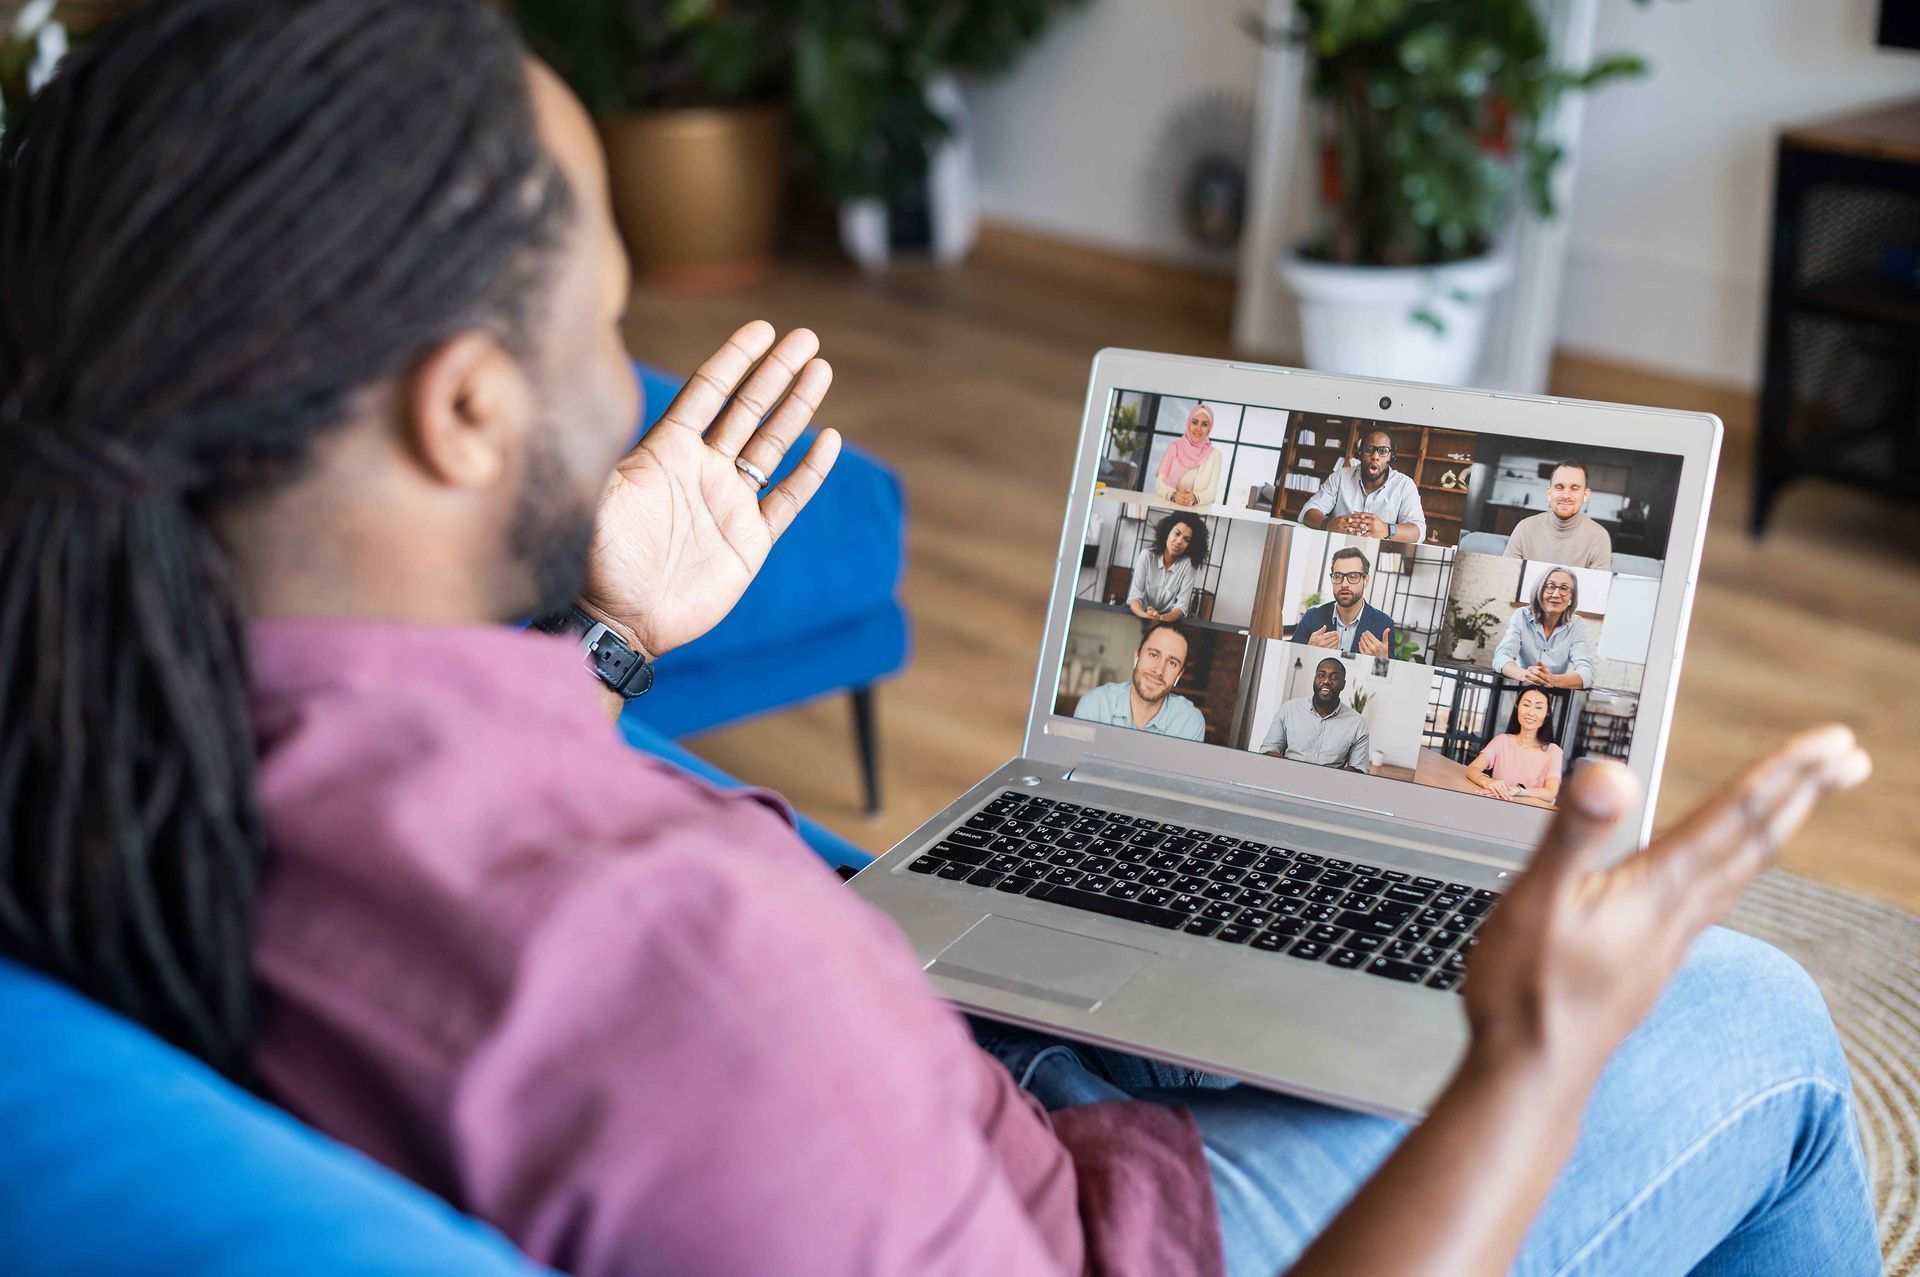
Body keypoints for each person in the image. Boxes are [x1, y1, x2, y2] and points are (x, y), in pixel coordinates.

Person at [0, 4, 1882, 1276]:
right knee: (1757, 1019)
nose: (626, 370)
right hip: (1085, 1211)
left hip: (941, 1061)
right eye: (601, 316)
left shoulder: (85, 702)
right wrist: (1534, 1059)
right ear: (465, 411)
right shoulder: (689, 972)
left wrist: (600, 640)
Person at [1072, 622, 1208, 741]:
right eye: (1154, 654)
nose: (1159, 670)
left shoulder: (1189, 721)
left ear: (1179, 674)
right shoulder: (1095, 704)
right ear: (1137, 655)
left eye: (1172, 663)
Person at [1300, 429, 1425, 544]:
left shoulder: (1405, 485)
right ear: (1360, 453)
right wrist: (1328, 524)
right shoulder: (1340, 476)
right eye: (1369, 449)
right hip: (1337, 547)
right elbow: (1308, 511)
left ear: (1391, 457)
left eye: (1383, 451)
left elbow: (1418, 531)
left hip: (1377, 554)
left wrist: (1387, 530)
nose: (1375, 456)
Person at [1257, 657, 1371, 771]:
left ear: (1343, 684)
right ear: (1314, 679)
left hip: (1330, 784)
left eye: (1335, 677)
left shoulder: (1357, 723)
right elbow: (1268, 749)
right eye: (1321, 675)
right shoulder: (1289, 709)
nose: (1326, 681)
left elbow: (1359, 768)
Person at [1494, 567, 1595, 689]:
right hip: (1518, 687)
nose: (1556, 594)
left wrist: (1552, 680)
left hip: (1553, 693)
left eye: (1564, 588)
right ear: (1540, 590)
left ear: (1571, 597)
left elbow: (1587, 673)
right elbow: (1501, 657)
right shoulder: (1522, 615)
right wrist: (1525, 675)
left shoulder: (1577, 624)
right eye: (1550, 586)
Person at [1502, 459, 1613, 570]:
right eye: (1559, 487)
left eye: (1574, 488)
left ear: (1585, 495)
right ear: (1549, 493)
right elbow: (1506, 577)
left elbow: (1596, 587)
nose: (1566, 495)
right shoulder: (1524, 528)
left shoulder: (1599, 537)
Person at [1467, 688, 1565, 804]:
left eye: (1538, 707)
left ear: (1547, 714)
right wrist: (1489, 782)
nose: (1531, 712)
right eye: (1526, 705)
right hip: (1498, 806)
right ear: (1517, 708)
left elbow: (1550, 793)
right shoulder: (1502, 741)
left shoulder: (1554, 751)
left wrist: (1519, 791)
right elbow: (1472, 769)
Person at [1292, 546, 1395, 657]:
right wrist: (1306, 650)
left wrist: (1384, 660)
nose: (1344, 584)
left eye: (1353, 576)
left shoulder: (1385, 624)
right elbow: (1291, 657)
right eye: (1337, 576)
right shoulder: (1312, 615)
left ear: (1366, 580)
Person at [1126, 511, 1208, 623]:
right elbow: (1134, 597)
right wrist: (1146, 616)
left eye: (1186, 540)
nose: (1179, 541)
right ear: (1168, 532)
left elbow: (1181, 608)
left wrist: (1160, 618)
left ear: (1191, 545)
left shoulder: (1188, 565)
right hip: (1139, 615)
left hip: (1168, 621)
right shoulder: (1147, 556)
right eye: (1177, 534)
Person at [1154, 402, 1221, 507]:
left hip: (1197, 511)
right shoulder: (1174, 447)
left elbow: (1211, 492)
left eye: (1204, 424)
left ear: (1209, 428)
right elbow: (1159, 484)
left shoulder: (1215, 455)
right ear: (1188, 423)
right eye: (1195, 422)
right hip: (1169, 506)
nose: (1198, 429)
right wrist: (1174, 496)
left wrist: (1194, 498)